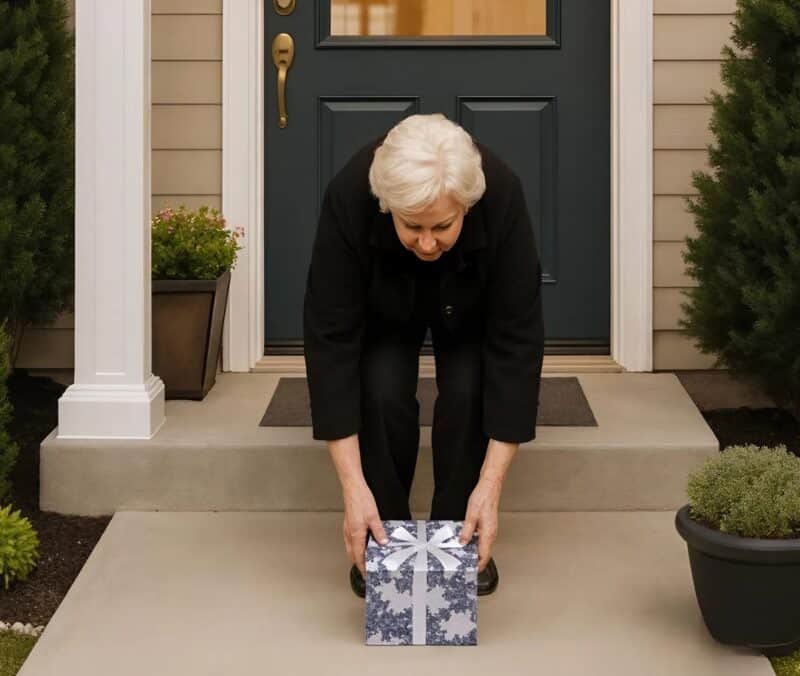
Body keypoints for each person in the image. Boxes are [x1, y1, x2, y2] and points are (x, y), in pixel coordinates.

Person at [303, 113, 545, 598]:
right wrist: (353, 492)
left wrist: (491, 488)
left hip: (471, 305)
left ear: (467, 206)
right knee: (382, 387)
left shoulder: (501, 195)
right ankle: (382, 534)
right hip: (384, 304)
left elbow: (516, 344)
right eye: (411, 226)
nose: (428, 242)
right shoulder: (350, 195)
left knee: (468, 386)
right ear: (386, 205)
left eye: (443, 225)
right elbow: (331, 342)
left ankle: (460, 534)